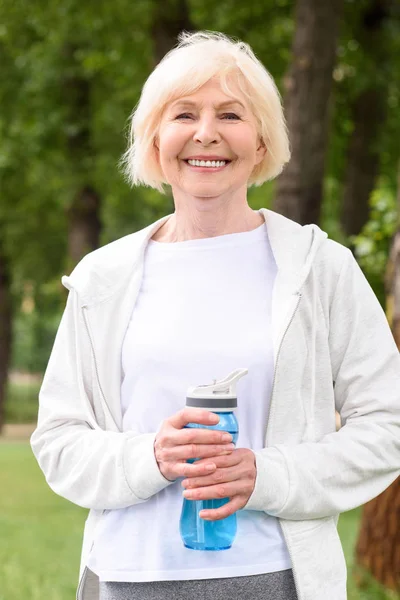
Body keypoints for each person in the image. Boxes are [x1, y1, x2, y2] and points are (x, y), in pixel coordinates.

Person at [30, 30, 400, 600]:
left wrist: (266, 475)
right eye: (184, 114)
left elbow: (388, 427)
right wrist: (149, 455)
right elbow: (58, 439)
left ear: (260, 143)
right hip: (128, 580)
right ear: (156, 140)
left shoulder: (319, 268)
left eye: (230, 114)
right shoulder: (102, 279)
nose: (206, 133)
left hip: (275, 579)